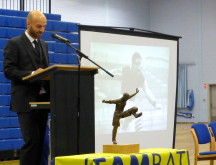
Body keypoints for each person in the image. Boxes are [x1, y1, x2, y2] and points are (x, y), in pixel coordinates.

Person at [3, 10, 49, 165]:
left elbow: (47, 71)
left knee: (41, 144)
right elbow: (9, 71)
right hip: (25, 101)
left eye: (44, 27)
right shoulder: (14, 43)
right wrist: (31, 73)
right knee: (31, 142)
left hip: (43, 101)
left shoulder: (44, 44)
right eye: (38, 26)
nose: (41, 30)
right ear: (28, 23)